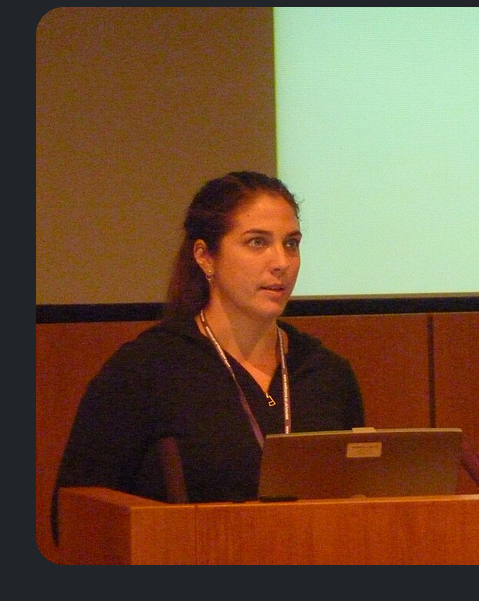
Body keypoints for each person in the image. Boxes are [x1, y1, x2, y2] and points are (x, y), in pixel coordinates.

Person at [52, 171, 365, 543]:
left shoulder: (326, 373)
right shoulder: (146, 371)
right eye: (257, 242)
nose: (281, 261)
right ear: (205, 257)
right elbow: (74, 516)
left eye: (291, 244)